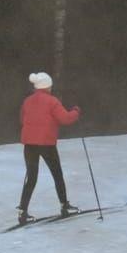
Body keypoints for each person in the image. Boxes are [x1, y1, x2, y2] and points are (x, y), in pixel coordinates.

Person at [17, 72, 81, 224]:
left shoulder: (27, 101)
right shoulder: (52, 101)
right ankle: (64, 205)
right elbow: (65, 118)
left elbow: (22, 119)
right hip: (46, 144)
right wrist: (76, 112)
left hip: (29, 145)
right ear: (47, 86)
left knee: (31, 177)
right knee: (57, 174)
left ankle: (22, 212)